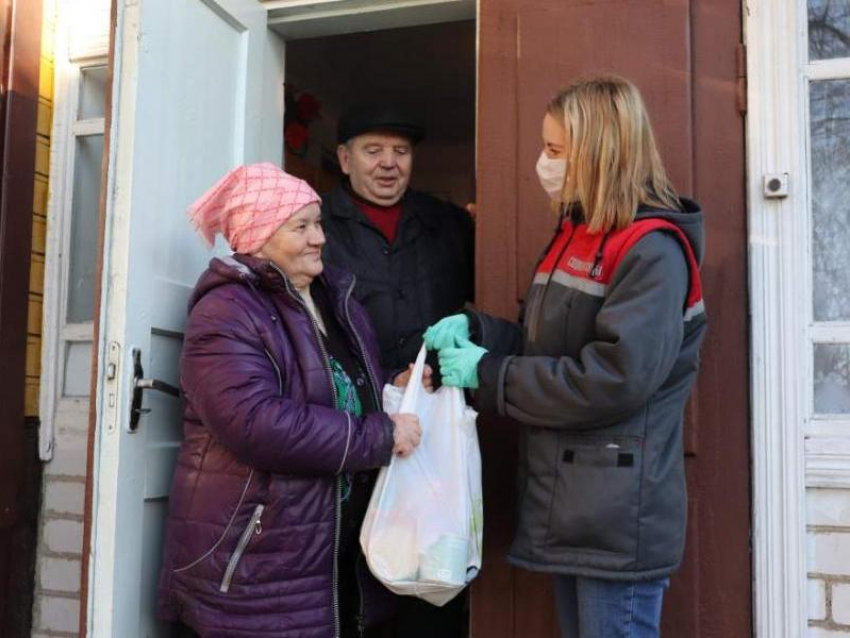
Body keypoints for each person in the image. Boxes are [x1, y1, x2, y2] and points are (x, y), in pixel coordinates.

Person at [425, 76, 707, 638]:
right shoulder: (577, 233)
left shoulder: (651, 250)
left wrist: (488, 372)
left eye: (555, 151)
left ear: (600, 153)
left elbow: (614, 379)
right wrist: (478, 329)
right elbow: (549, 343)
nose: (543, 163)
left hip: (616, 514)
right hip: (578, 506)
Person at [157, 163, 429, 638]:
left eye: (318, 222)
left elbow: (340, 387)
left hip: (327, 549)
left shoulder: (333, 300)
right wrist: (382, 436)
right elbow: (256, 423)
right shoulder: (227, 311)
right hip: (256, 558)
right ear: (258, 235)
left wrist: (394, 386)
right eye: (300, 226)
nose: (319, 237)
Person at [321, 104, 475, 637]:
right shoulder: (316, 227)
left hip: (435, 429)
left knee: (434, 570)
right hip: (356, 429)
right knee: (362, 572)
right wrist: (387, 380)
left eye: (401, 152)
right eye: (373, 150)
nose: (389, 164)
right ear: (345, 159)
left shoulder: (450, 224)